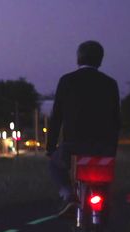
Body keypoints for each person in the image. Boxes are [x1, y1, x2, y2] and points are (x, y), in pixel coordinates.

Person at [46, 40, 121, 214]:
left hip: (73, 147)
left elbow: (56, 117)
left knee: (54, 165)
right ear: (100, 60)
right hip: (103, 148)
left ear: (78, 58)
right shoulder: (110, 83)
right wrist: (112, 150)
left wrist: (50, 148)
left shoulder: (67, 81)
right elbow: (116, 120)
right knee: (104, 185)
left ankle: (67, 195)